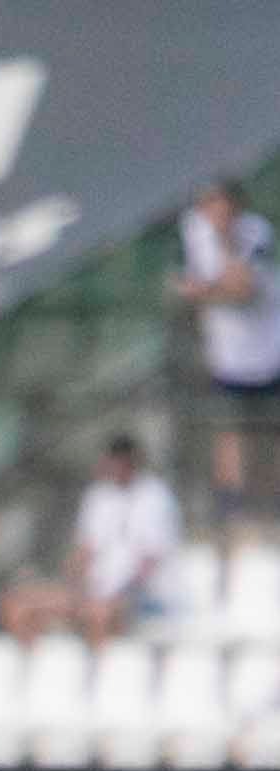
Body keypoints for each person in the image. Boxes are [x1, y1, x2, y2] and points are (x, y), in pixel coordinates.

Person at [175, 180, 280, 527]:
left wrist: (208, 288)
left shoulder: (256, 233)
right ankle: (230, 507)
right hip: (228, 357)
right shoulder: (192, 230)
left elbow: (243, 291)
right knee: (229, 432)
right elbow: (182, 288)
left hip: (268, 352)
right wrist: (212, 290)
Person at [66, 434, 181, 643]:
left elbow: (149, 562)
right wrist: (74, 588)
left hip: (145, 595)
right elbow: (84, 552)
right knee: (22, 607)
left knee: (98, 614)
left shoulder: (155, 496)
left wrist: (116, 594)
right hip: (99, 592)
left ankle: (103, 671)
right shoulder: (98, 496)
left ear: (131, 461)